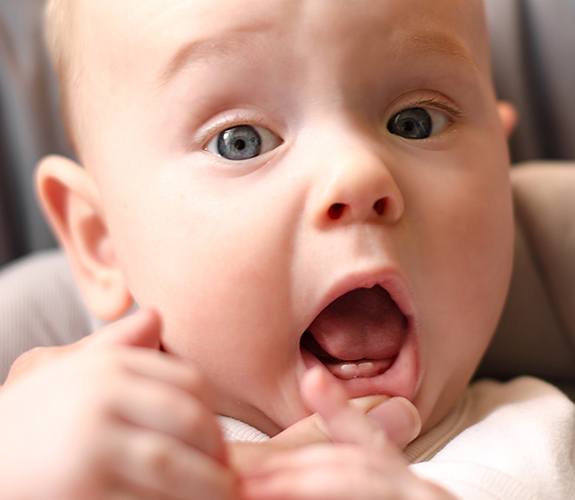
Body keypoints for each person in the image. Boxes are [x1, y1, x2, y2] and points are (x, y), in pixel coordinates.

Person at [1, 0, 574, 498]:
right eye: (239, 141)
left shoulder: (537, 446)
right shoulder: (80, 442)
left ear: (502, 169)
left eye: (415, 122)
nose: (357, 174)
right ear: (100, 239)